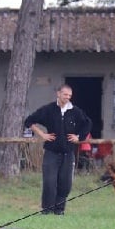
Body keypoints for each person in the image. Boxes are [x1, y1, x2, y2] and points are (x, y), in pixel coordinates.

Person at [24, 84, 92, 215]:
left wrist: (79, 137)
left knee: (65, 183)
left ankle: (59, 210)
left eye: (70, 95)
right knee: (49, 182)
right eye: (65, 94)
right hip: (51, 152)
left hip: (68, 153)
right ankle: (47, 210)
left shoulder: (75, 111)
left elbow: (87, 124)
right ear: (58, 93)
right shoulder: (48, 109)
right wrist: (42, 134)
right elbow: (29, 121)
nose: (67, 97)